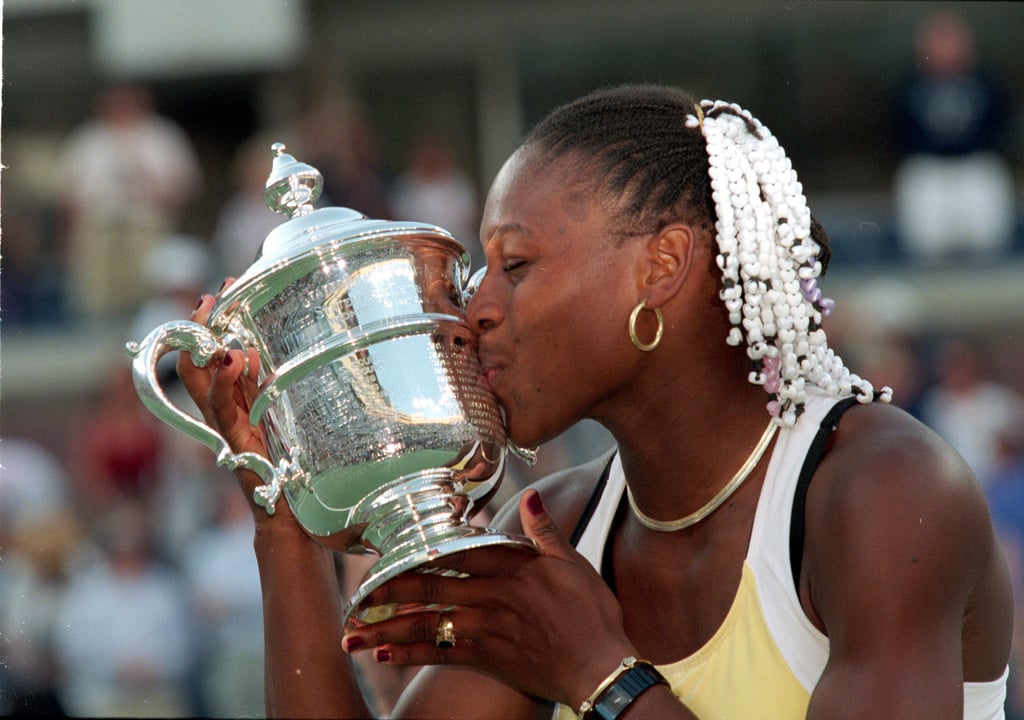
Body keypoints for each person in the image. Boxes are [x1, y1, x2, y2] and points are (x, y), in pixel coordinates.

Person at [178, 85, 1012, 719]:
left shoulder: (887, 490)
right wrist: (280, 507)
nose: (476, 309)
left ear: (662, 265)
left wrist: (604, 678)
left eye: (516, 264)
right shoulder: (560, 529)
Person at [891, 11, 1016, 266]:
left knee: (989, 242)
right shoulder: (909, 85)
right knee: (925, 246)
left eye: (951, 39)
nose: (945, 48)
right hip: (928, 170)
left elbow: (1003, 126)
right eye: (937, 40)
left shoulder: (987, 82)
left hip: (975, 167)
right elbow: (895, 131)